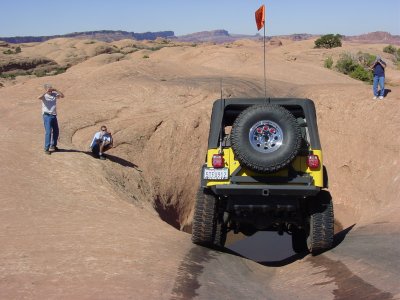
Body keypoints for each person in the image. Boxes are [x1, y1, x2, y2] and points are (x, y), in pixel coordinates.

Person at [37, 84, 64, 155]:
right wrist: (46, 92)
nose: (50, 90)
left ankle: (53, 146)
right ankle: (46, 148)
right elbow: (38, 97)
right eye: (49, 88)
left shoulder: (54, 94)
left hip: (54, 115)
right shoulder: (44, 96)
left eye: (51, 88)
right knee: (48, 132)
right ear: (46, 89)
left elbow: (62, 96)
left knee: (56, 131)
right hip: (47, 116)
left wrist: (56, 90)